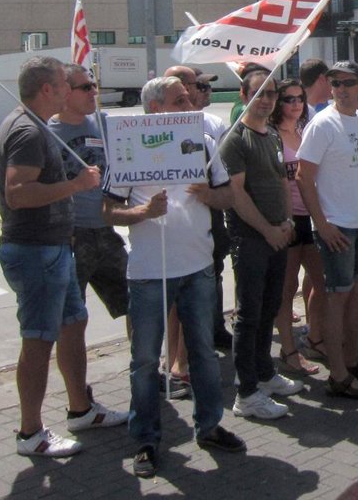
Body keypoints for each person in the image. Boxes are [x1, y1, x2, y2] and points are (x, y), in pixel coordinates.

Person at [104, 77, 246, 477]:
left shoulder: (202, 143)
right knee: (146, 360)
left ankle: (209, 426)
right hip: (150, 273)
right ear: (155, 108)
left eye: (189, 98)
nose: (190, 104)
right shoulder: (130, 147)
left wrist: (208, 195)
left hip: (198, 267)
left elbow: (228, 196)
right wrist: (142, 213)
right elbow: (108, 210)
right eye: (179, 100)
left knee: (203, 352)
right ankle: (146, 440)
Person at [0, 56, 126, 459]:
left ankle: (80, 409)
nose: (71, 91)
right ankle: (30, 432)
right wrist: (76, 184)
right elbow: (18, 193)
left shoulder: (34, 125)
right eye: (65, 85)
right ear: (48, 89)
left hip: (54, 247)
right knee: (38, 340)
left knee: (73, 322)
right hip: (35, 250)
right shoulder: (28, 130)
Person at [221, 67, 305, 421]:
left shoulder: (271, 135)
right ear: (244, 96)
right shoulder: (236, 140)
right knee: (249, 315)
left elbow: (283, 182)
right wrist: (267, 230)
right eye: (259, 93)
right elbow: (236, 194)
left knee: (270, 307)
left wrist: (286, 222)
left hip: (277, 235)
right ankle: (246, 392)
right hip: (251, 239)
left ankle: (265, 374)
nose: (267, 100)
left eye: (272, 93)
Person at [296, 61, 358, 399]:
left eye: (348, 82)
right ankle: (338, 374)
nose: (341, 89)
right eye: (335, 83)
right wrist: (322, 224)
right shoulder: (322, 124)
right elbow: (303, 176)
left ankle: (353, 360)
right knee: (337, 298)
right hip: (338, 226)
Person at [48, 64, 129, 329]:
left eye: (94, 85)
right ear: (65, 92)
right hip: (72, 236)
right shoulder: (48, 132)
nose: (94, 92)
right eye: (86, 87)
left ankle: (139, 355)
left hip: (106, 229)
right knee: (71, 318)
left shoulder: (104, 123)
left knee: (135, 301)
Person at [167, 66, 234, 354]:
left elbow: (225, 179)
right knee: (174, 292)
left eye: (206, 87)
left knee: (211, 275)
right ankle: (177, 354)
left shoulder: (212, 125)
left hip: (209, 216)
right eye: (200, 86)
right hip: (170, 223)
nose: (206, 92)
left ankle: (213, 330)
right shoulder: (152, 127)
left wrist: (212, 194)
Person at [270, 78, 327, 375]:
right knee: (287, 287)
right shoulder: (272, 136)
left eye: (299, 98)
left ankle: (315, 337)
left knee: (321, 281)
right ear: (277, 103)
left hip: (312, 215)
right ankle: (289, 350)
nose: (295, 104)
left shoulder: (306, 130)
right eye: (288, 99)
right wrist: (284, 218)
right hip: (288, 218)